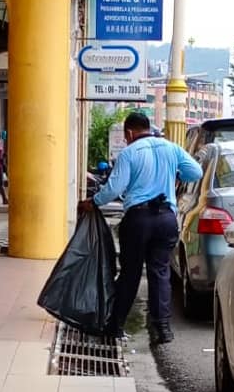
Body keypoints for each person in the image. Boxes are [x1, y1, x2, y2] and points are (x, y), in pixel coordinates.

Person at [79, 112, 202, 345]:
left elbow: (114, 189)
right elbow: (195, 172)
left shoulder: (129, 153)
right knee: (160, 272)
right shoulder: (171, 148)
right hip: (166, 217)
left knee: (130, 273)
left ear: (129, 133)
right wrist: (176, 173)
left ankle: (115, 326)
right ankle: (163, 329)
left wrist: (92, 203)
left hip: (138, 219)